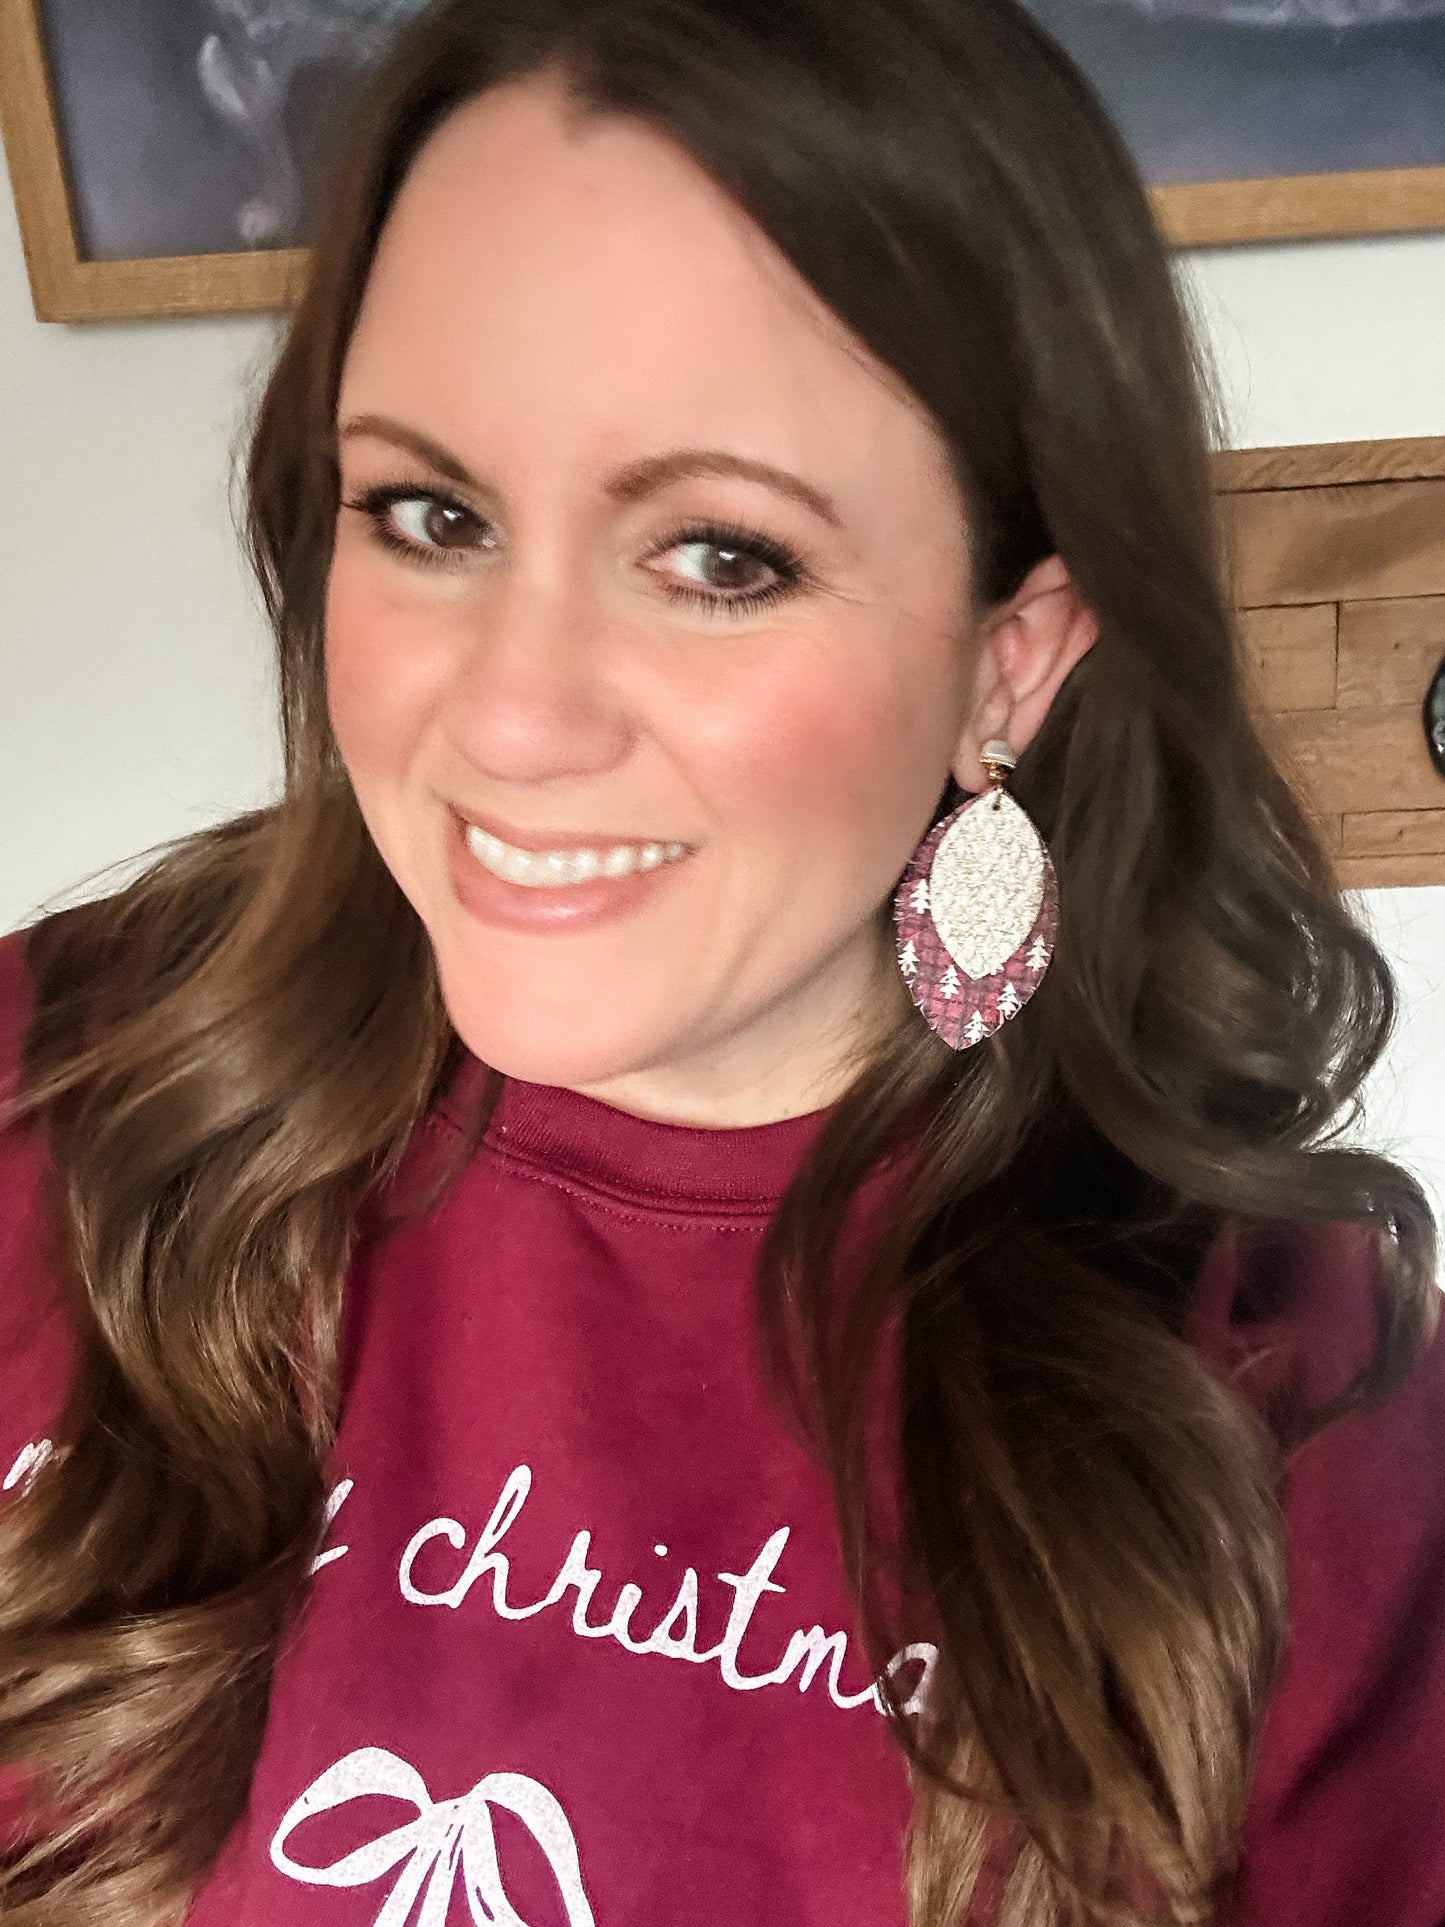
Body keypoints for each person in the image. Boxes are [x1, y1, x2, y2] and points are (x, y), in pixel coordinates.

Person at [0, 1, 1441, 1922]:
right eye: (430, 515)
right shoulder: (59, 1076)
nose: (506, 720)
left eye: (719, 559)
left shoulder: (1296, 1432)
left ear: (1007, 655)